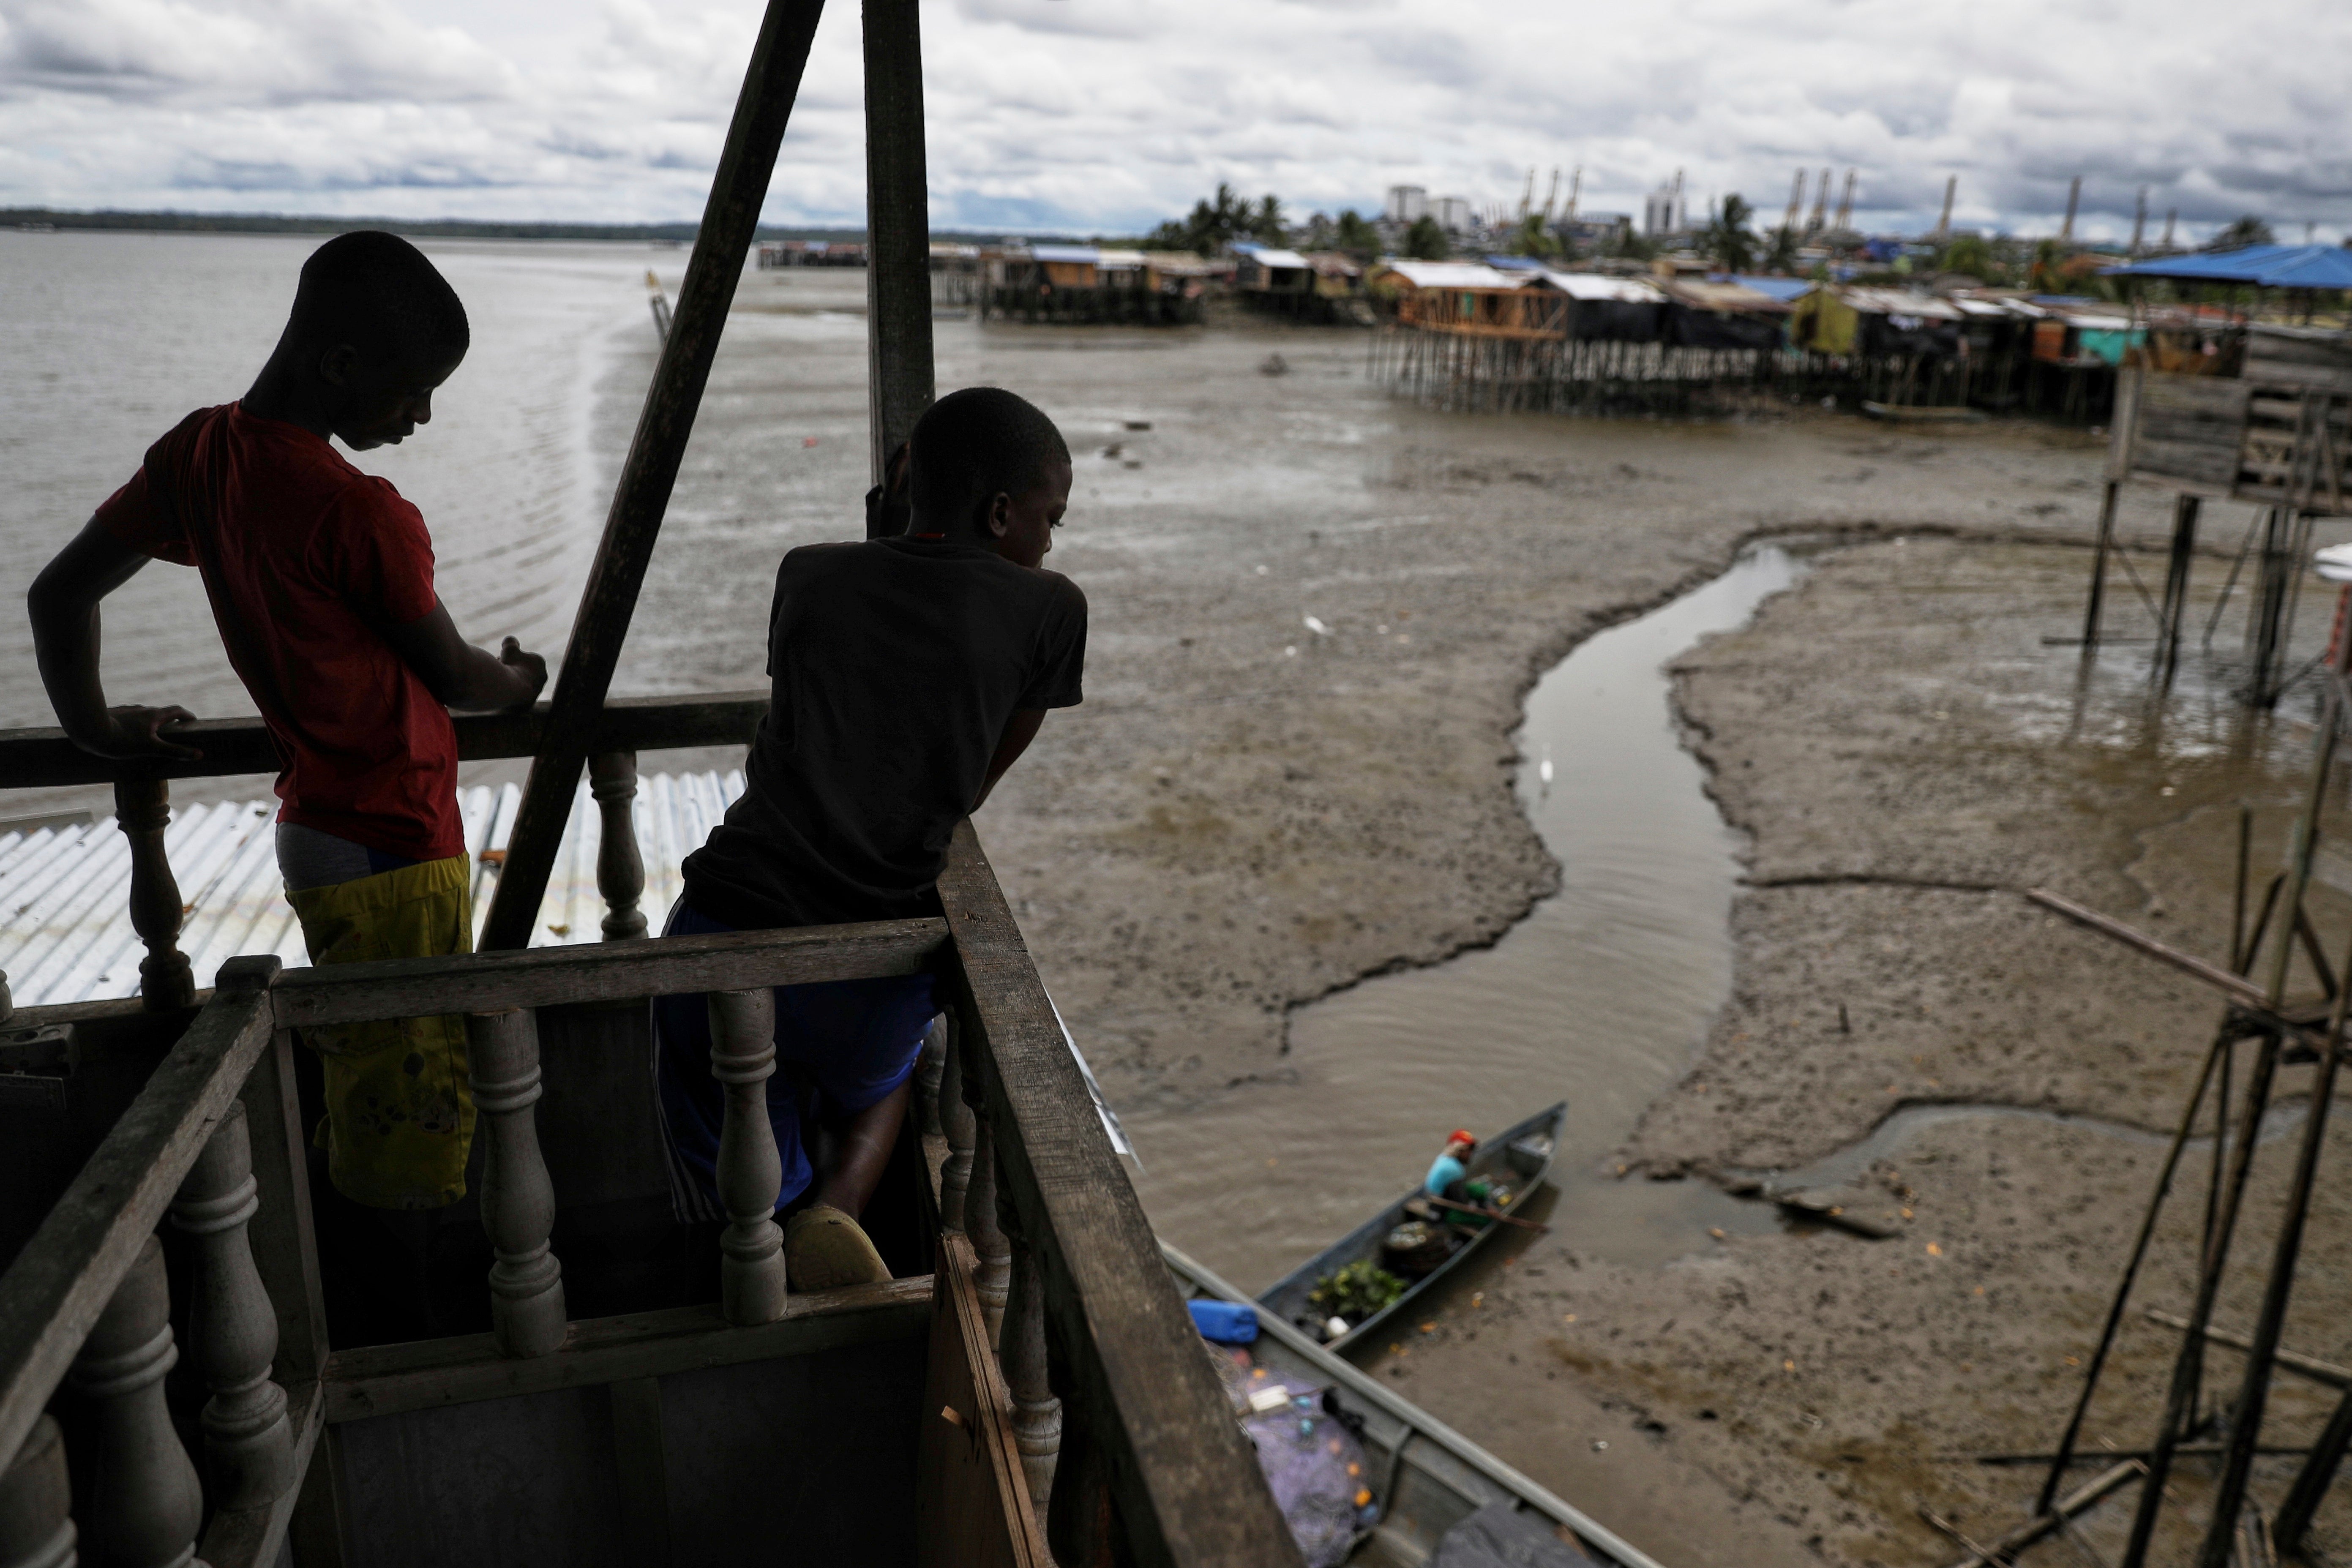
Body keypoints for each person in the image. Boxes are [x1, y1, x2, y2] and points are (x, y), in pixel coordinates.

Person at [27, 231, 547, 1219]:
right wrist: (522, 678)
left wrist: (95, 729)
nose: (424, 416)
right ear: (342, 367)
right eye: (414, 392)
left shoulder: (199, 454)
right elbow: (457, 675)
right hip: (394, 841)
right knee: (417, 1119)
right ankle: (399, 1330)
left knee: (371, 1087)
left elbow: (60, 596)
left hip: (316, 827)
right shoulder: (358, 513)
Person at [652, 385, 1085, 1289]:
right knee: (886, 1079)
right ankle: (835, 1212)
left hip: (718, 935)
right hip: (869, 962)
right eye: (1049, 516)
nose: (1048, 540)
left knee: (723, 1093)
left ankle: (764, 1226)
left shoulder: (805, 572)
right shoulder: (1050, 609)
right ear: (1002, 510)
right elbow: (969, 782)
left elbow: (800, 719)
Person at [1424, 1131, 1476, 1203]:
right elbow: (1461, 1199)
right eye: (1469, 1151)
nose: (1471, 1154)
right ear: (1459, 1150)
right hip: (1439, 1205)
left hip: (1430, 1196)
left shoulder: (1443, 1157)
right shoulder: (1455, 1169)